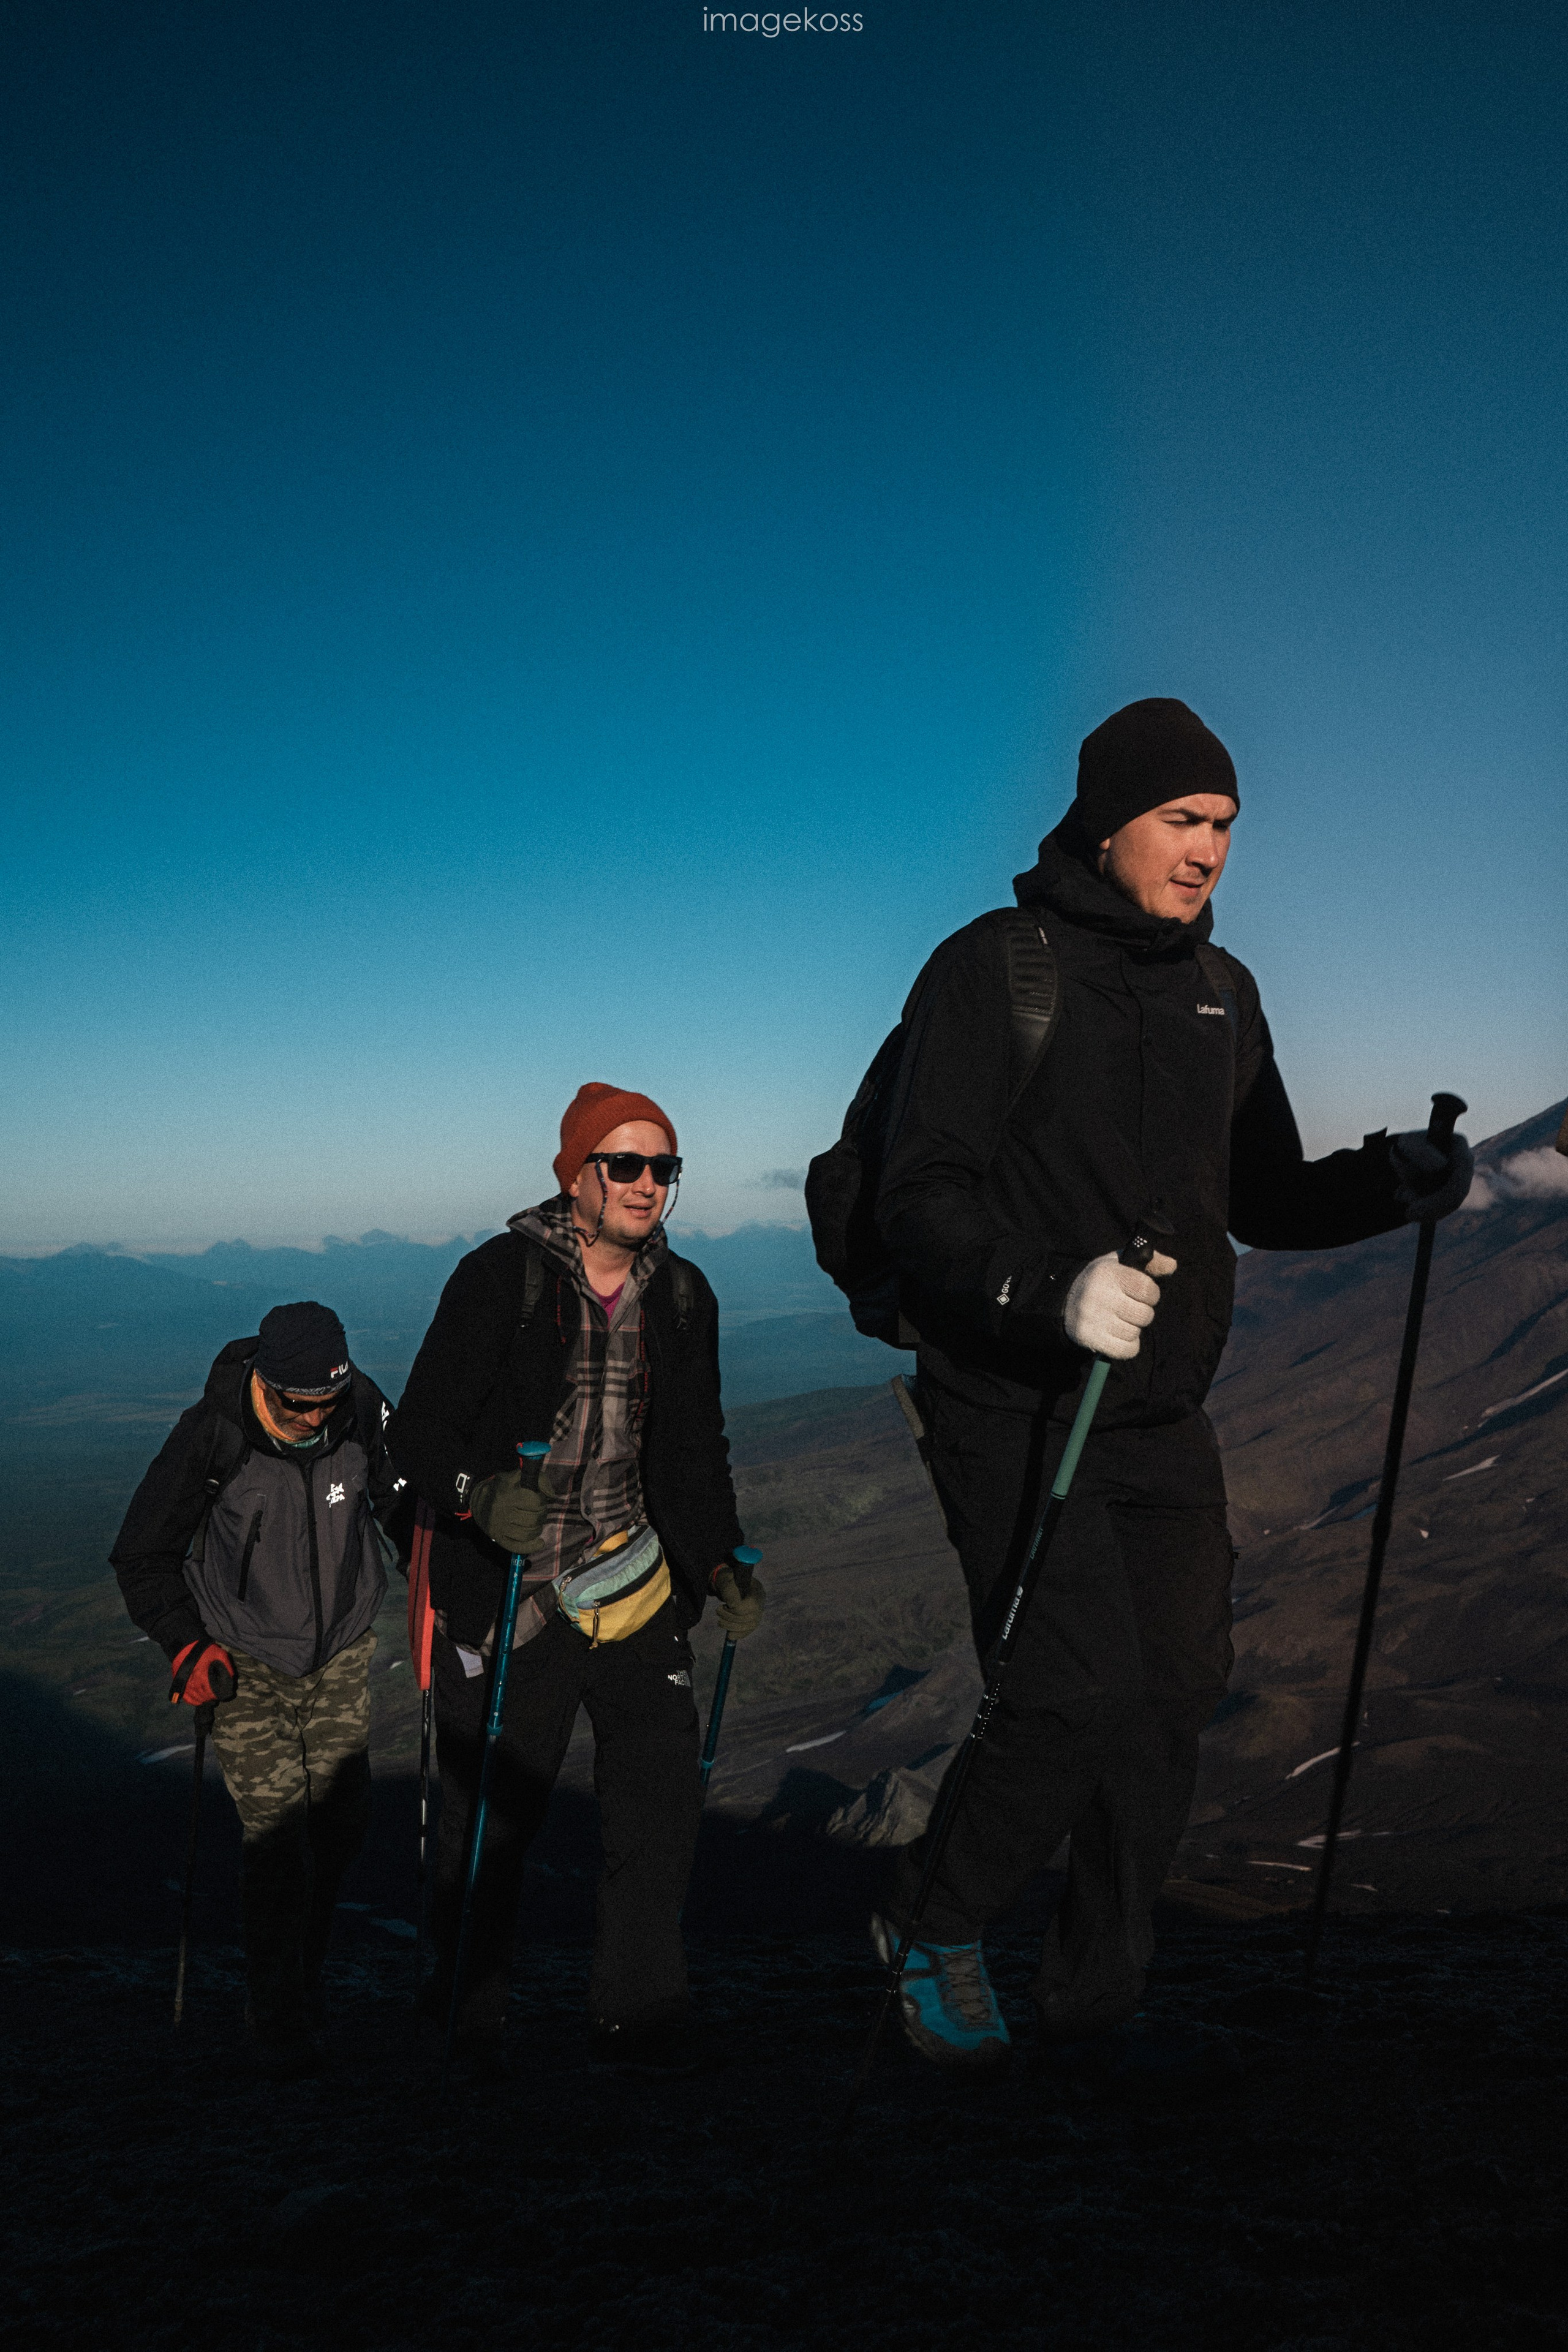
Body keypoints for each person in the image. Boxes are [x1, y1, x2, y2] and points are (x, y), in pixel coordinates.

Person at [870, 696, 1472, 2084]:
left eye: (1222, 827)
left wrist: (1392, 1180)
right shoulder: (992, 969)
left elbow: (1259, 1194)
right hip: (1010, 1395)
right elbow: (920, 1195)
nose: (1205, 849)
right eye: (1180, 820)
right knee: (1066, 1690)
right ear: (1105, 821)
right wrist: (1045, 1288)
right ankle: (925, 1920)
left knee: (1172, 1690)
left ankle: (1096, 1989)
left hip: (1158, 1407)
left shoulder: (1223, 991)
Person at [390, 1082, 763, 2075]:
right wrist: (476, 1494)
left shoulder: (683, 1297)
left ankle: (637, 2012)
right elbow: (418, 1430)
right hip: (514, 1597)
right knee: (490, 1823)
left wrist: (718, 1556)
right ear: (577, 1174)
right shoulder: (501, 1279)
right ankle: (463, 2015)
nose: (649, 1185)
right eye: (626, 1164)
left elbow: (692, 1452)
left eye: (664, 1167)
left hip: (636, 1584)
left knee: (658, 1808)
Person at [111, 1300, 404, 2073]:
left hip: (340, 1651)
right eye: (300, 1403)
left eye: (328, 1401)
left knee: (339, 1830)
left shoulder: (363, 1408)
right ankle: (279, 2020)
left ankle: (302, 1983)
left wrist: (441, 1574)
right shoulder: (215, 1434)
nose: (316, 1417)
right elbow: (142, 1553)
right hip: (242, 1661)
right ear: (268, 1386)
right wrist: (185, 1646)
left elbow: (404, 1505)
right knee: (278, 1842)